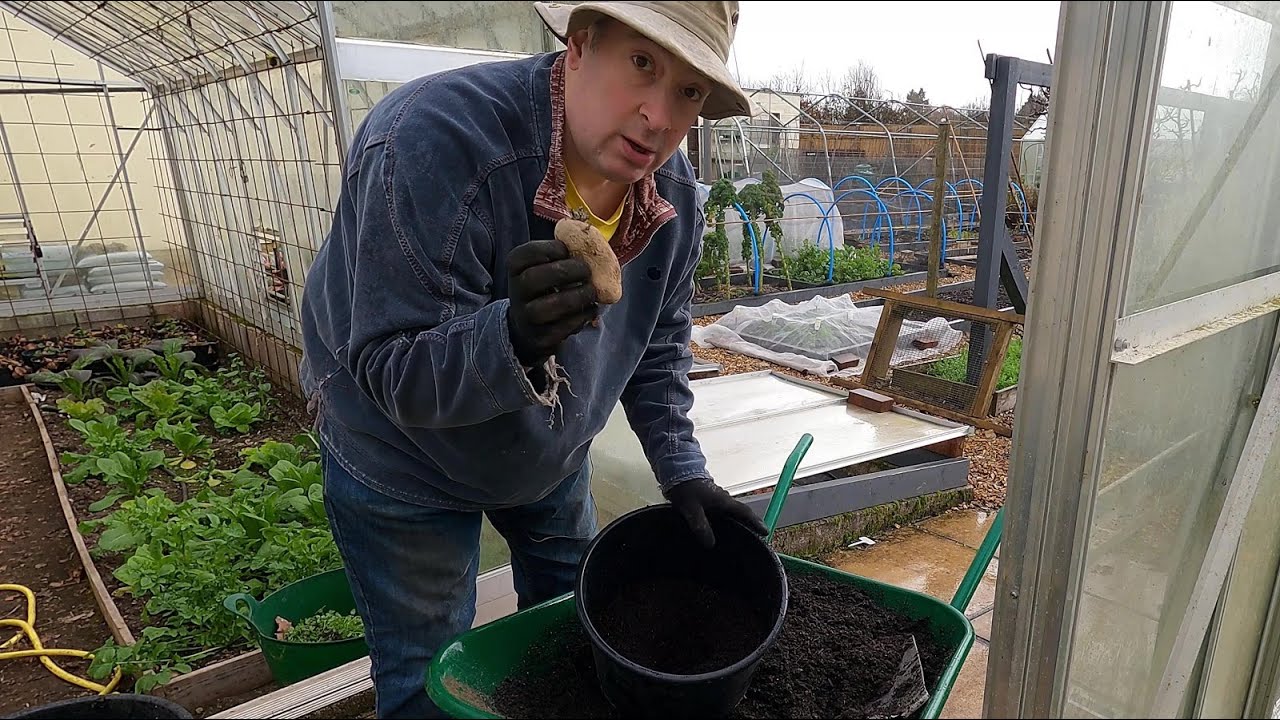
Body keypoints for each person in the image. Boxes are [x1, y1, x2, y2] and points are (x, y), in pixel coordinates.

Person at [298, 2, 763, 717]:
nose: (659, 117)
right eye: (643, 64)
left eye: (689, 92)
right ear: (580, 43)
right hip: (399, 454)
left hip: (547, 446)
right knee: (429, 676)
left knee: (577, 630)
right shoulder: (432, 141)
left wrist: (683, 471)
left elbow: (659, 346)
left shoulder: (672, 202)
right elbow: (392, 370)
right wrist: (510, 337)